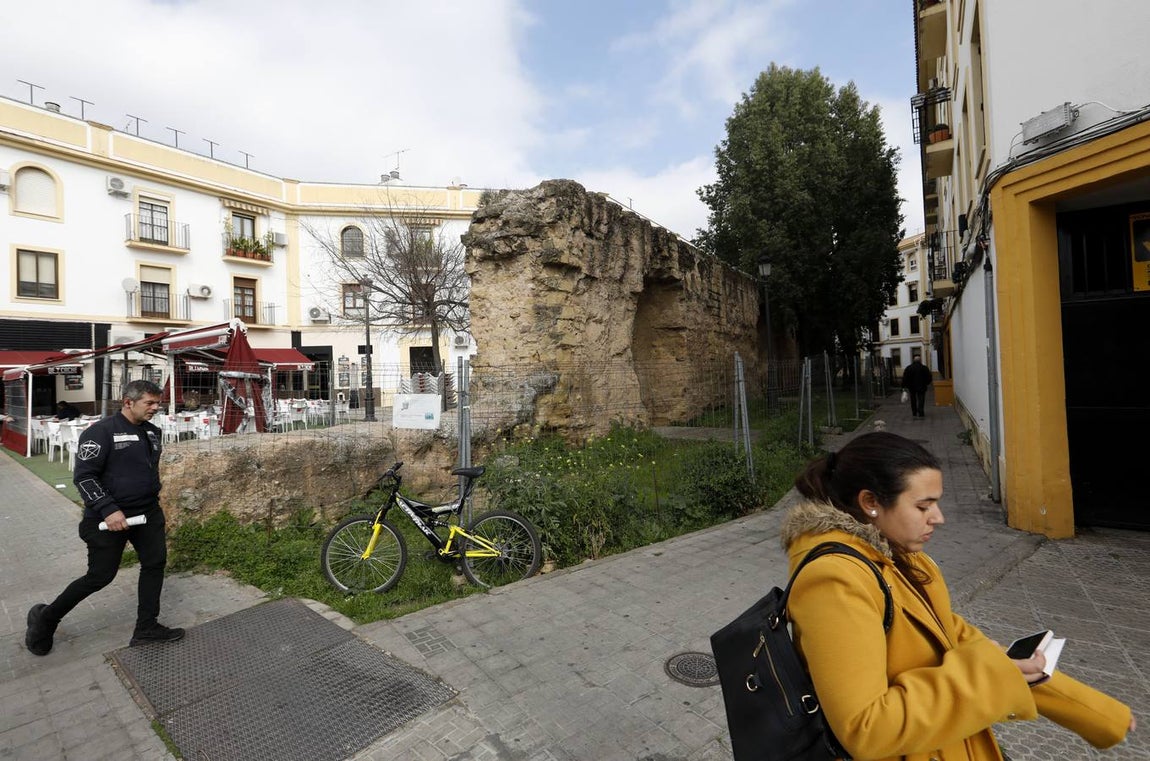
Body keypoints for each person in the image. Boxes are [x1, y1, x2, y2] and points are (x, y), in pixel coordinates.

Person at [782, 432, 1135, 760]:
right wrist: (990, 676)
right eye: (923, 506)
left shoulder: (899, 559)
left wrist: (1099, 714)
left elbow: (964, 643)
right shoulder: (835, 580)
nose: (939, 518)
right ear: (870, 502)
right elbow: (865, 728)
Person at [25, 380, 185, 655]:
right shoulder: (100, 433)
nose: (156, 408)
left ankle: (146, 627)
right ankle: (46, 618)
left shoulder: (152, 432)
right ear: (127, 402)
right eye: (150, 403)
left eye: (158, 402)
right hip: (107, 518)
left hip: (147, 514)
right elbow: (84, 476)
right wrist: (109, 509)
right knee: (100, 576)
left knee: (154, 564)